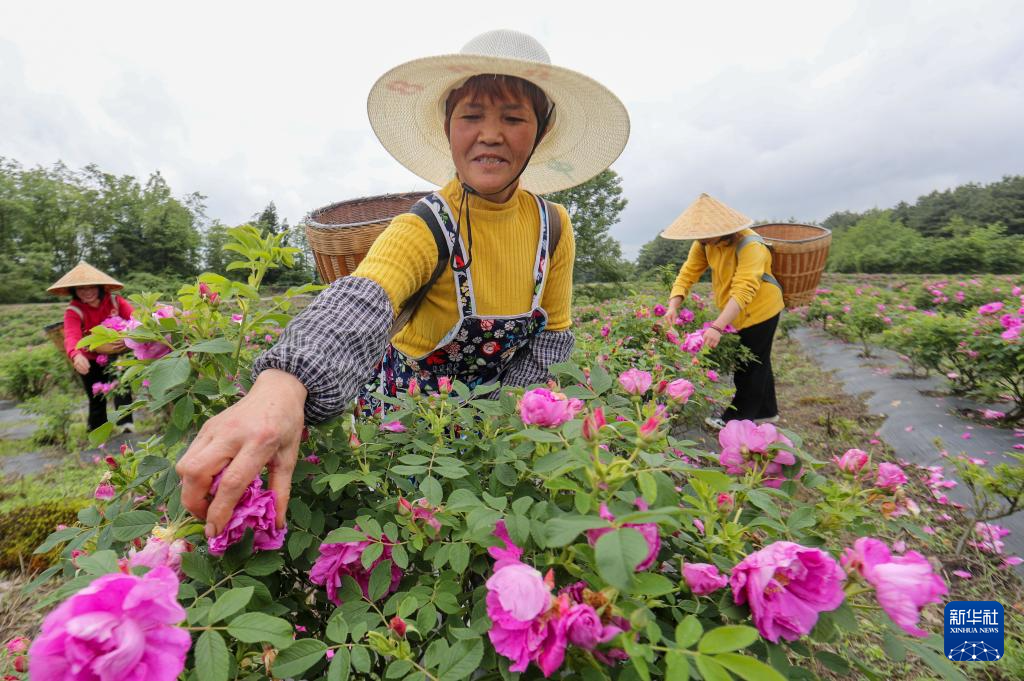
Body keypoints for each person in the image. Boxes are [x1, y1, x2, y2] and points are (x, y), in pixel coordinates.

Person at [176, 29, 629, 539]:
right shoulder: (425, 224)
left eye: (514, 117)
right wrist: (282, 385)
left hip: (495, 415)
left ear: (540, 132)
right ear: (447, 127)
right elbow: (364, 297)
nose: (491, 134)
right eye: (472, 115)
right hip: (407, 420)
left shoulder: (555, 225)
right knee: (403, 534)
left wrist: (505, 424)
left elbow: (552, 338)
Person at [662, 193, 784, 430]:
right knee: (759, 360)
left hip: (762, 309)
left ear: (724, 228)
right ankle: (767, 412)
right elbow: (687, 274)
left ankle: (737, 420)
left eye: (705, 234)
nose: (701, 239)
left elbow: (743, 290)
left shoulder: (752, 245)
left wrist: (717, 327)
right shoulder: (704, 244)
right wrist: (673, 306)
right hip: (737, 311)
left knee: (748, 365)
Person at [47, 261, 135, 432]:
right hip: (90, 358)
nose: (87, 292)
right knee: (96, 396)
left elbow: (135, 319)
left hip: (118, 351)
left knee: (122, 387)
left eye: (91, 287)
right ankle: (97, 431)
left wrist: (130, 337)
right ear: (75, 291)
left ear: (100, 287)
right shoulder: (74, 310)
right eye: (81, 289)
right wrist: (75, 354)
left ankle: (126, 425)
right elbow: (72, 335)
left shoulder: (115, 301)